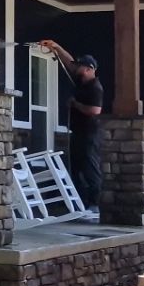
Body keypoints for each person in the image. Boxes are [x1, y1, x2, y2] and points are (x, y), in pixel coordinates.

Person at [38, 40, 103, 208]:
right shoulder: (81, 80)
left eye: (81, 66)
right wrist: (56, 47)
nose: (77, 68)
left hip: (88, 134)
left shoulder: (95, 87)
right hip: (77, 132)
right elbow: (69, 62)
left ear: (89, 69)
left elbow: (95, 110)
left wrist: (75, 104)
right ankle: (81, 202)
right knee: (76, 167)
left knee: (89, 167)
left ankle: (95, 203)